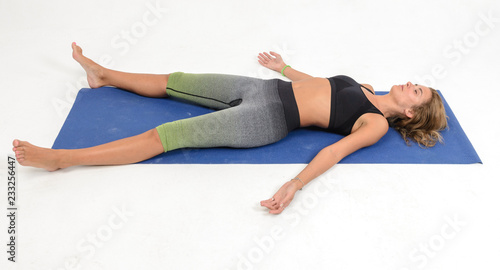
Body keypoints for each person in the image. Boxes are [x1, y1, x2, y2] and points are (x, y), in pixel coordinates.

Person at [12, 43, 447, 214]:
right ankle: (104, 75)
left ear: (411, 114)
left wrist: (295, 183)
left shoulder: (374, 124)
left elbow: (333, 151)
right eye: (417, 84)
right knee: (176, 82)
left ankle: (60, 159)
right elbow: (320, 87)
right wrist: (286, 67)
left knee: (164, 137)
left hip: (266, 120)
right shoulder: (367, 87)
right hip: (262, 87)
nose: (411, 85)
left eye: (417, 93)